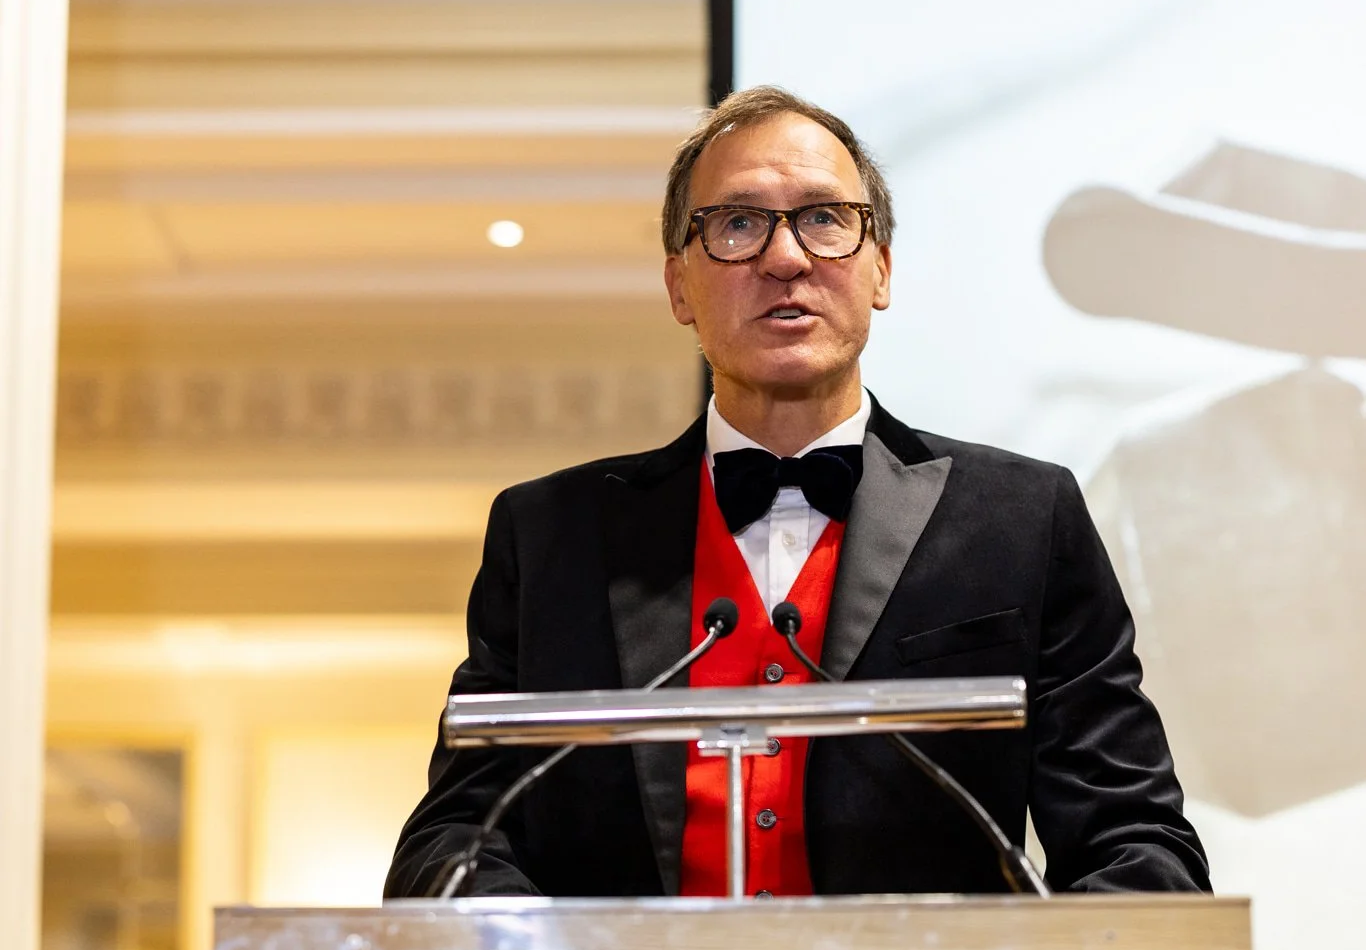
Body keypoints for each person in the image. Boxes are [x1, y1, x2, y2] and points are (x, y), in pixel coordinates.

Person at [385, 85, 1208, 899]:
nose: (785, 259)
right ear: (679, 286)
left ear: (880, 268)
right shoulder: (551, 536)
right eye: (738, 224)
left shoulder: (1024, 520)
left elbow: (1133, 838)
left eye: (824, 218)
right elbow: (455, 840)